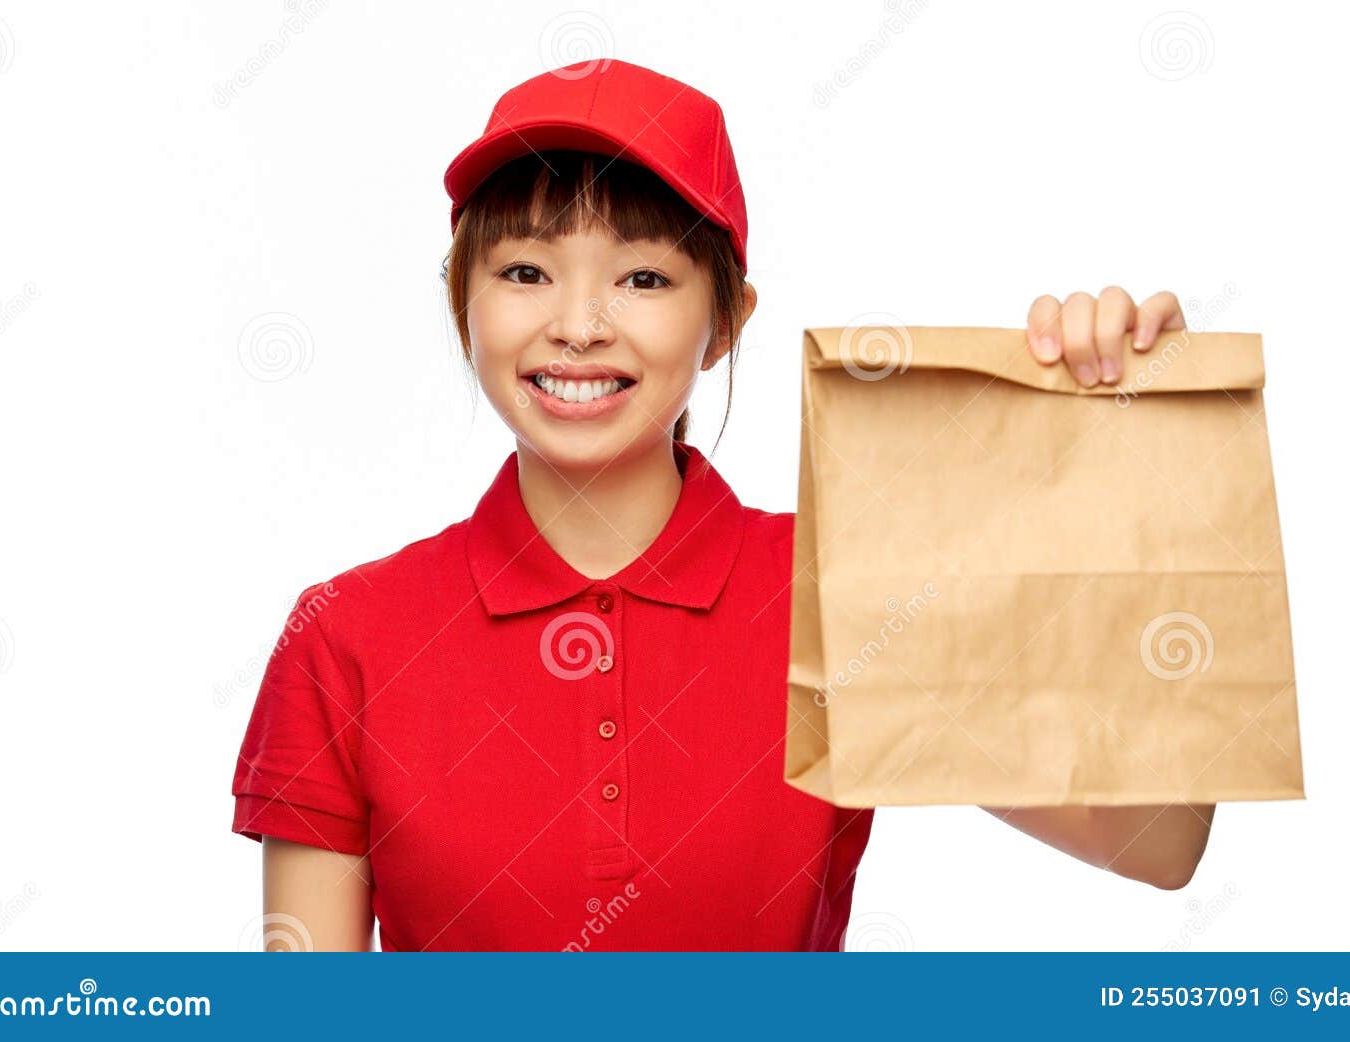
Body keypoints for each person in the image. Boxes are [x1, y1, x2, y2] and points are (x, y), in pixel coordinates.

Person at [229, 59, 1213, 952]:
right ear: (464, 302)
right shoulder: (347, 635)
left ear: (723, 322)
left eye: (644, 277)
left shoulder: (836, 600)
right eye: (525, 271)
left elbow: (1154, 839)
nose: (577, 326)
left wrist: (1138, 460)